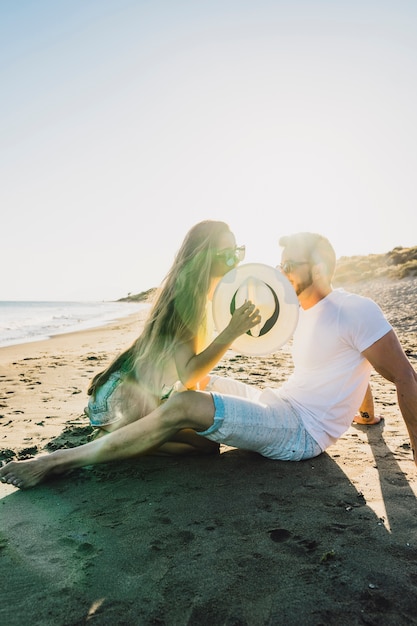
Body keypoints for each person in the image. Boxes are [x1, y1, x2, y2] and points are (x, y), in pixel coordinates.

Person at [2, 232, 417, 489]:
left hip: (301, 432)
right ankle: (146, 439)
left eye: (291, 263)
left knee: (183, 404)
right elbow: (357, 365)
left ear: (322, 266)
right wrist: (367, 418)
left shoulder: (355, 309)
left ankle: (55, 464)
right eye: (281, 263)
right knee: (194, 386)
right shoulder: (308, 314)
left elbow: (403, 376)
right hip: (281, 403)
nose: (282, 270)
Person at [82, 219, 259, 459]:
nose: (235, 261)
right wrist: (231, 332)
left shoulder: (197, 294)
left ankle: (128, 439)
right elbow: (188, 374)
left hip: (119, 398)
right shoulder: (187, 298)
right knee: (207, 446)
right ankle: (118, 440)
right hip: (120, 405)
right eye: (226, 255)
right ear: (205, 257)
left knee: (206, 443)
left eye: (237, 252)